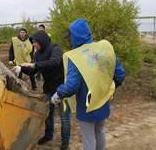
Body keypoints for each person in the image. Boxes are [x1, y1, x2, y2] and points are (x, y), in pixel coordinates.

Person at [51, 18, 126, 150]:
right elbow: (119, 74)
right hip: (103, 100)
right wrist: (110, 89)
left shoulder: (77, 56)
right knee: (100, 131)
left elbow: (72, 86)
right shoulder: (104, 48)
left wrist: (59, 93)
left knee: (88, 139)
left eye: (71, 37)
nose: (71, 40)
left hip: (86, 105)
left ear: (75, 35)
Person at [12, 30, 71, 150]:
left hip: (62, 88)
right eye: (32, 42)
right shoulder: (38, 54)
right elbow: (33, 69)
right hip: (49, 88)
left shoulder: (55, 48)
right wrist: (21, 68)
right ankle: (48, 135)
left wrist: (34, 65)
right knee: (47, 114)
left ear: (41, 41)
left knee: (64, 117)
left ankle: (65, 141)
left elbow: (54, 62)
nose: (33, 45)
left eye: (35, 42)